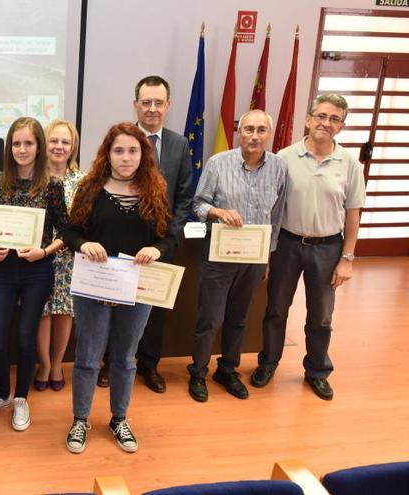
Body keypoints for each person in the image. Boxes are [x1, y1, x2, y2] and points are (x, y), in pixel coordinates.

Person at [62, 122, 174, 454]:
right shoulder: (90, 189)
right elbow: (69, 232)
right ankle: (80, 419)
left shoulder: (155, 191)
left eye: (132, 151)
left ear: (144, 154)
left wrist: (159, 249)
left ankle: (118, 418)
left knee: (125, 358)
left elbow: (169, 236)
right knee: (87, 358)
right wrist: (84, 244)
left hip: (136, 291)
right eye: (118, 150)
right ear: (107, 154)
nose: (125, 157)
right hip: (93, 288)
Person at [251, 94, 366, 401]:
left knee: (321, 316)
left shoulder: (350, 163)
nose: (326, 123)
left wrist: (347, 259)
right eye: (321, 116)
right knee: (275, 310)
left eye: (334, 119)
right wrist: (265, 252)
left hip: (328, 248)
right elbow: (270, 207)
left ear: (341, 126)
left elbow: (353, 211)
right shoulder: (285, 158)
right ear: (308, 119)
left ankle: (317, 371)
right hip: (287, 244)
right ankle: (268, 364)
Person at [0, 117, 68, 432]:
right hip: (3, 269)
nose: (22, 149)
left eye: (28, 143)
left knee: (26, 338)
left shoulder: (52, 185)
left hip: (37, 270)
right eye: (16, 143)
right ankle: (2, 394)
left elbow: (67, 233)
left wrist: (44, 251)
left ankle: (21, 399)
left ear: (39, 146)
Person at [187, 109, 287, 403]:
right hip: (219, 256)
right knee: (210, 317)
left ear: (268, 134)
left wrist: (268, 255)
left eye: (261, 130)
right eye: (248, 130)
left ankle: (227, 369)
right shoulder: (219, 163)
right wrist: (217, 212)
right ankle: (198, 371)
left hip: (254, 258)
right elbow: (198, 204)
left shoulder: (279, 168)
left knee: (239, 318)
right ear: (238, 133)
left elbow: (277, 215)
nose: (254, 136)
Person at [130, 75, 194, 393]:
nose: (152, 109)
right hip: (125, 241)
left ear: (168, 106)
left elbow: (184, 197)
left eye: (159, 103)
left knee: (154, 308)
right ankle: (112, 362)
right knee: (119, 304)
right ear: (136, 105)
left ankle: (149, 365)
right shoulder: (123, 139)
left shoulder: (179, 144)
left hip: (161, 243)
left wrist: (170, 237)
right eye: (146, 102)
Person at [35, 119, 82, 392]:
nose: (59, 146)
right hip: (37, 256)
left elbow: (83, 221)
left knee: (64, 311)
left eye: (65, 142)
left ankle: (56, 364)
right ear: (45, 143)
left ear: (73, 146)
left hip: (69, 257)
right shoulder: (34, 176)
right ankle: (42, 364)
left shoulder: (83, 180)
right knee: (42, 312)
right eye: (54, 140)